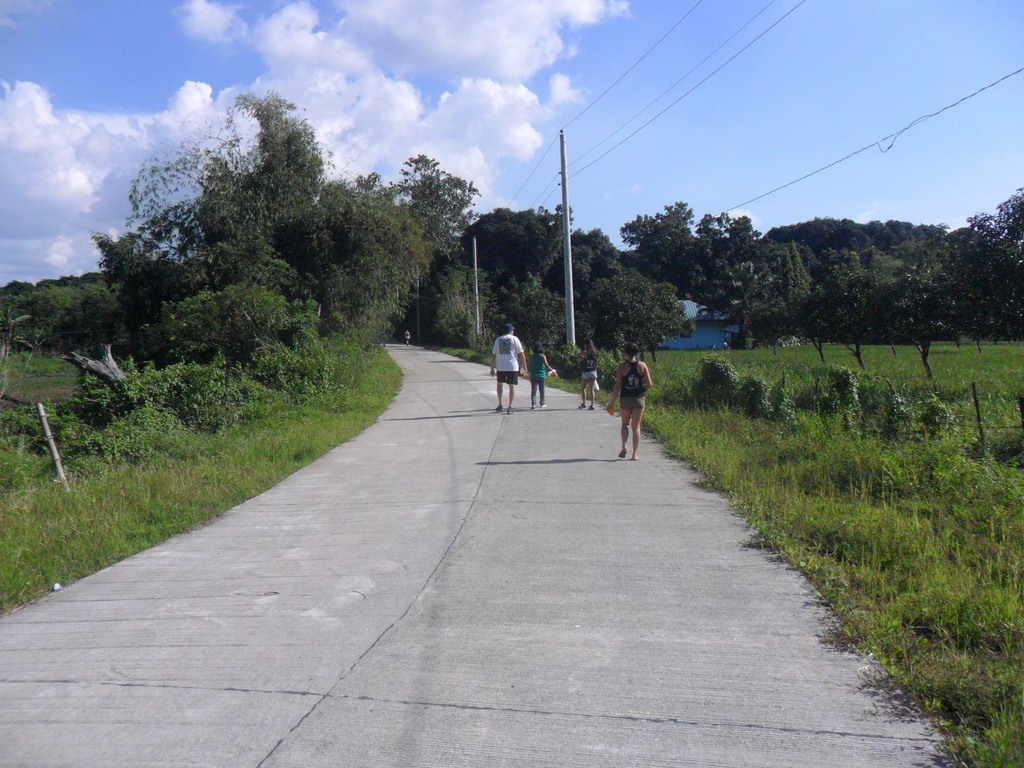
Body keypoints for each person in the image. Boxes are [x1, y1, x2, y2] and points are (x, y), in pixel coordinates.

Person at [606, 341, 653, 460]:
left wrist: (611, 403)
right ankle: (635, 454)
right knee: (636, 427)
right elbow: (650, 384)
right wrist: (641, 389)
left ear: (626, 353)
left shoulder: (621, 367)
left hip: (625, 399)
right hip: (639, 398)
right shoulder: (642, 365)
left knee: (624, 424)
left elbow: (617, 386)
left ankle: (624, 446)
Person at [489, 323, 527, 414]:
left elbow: (494, 355)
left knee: (499, 385)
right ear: (510, 331)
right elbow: (521, 353)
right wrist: (525, 365)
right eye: (512, 330)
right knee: (512, 386)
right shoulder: (515, 339)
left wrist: (492, 367)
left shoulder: (498, 340)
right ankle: (510, 406)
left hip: (500, 366)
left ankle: (500, 404)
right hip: (512, 367)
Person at [528, 342, 558, 409]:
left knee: (533, 390)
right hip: (542, 375)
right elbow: (546, 365)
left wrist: (527, 371)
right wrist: (553, 370)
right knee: (542, 390)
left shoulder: (531, 356)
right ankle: (542, 403)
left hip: (533, 374)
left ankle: (533, 404)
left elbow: (528, 365)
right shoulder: (542, 356)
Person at [579, 339, 599, 410]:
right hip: (593, 372)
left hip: (586, 372)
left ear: (586, 345)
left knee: (583, 387)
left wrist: (580, 355)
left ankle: (584, 403)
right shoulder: (595, 353)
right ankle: (592, 405)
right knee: (591, 389)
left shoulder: (585, 352)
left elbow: (576, 355)